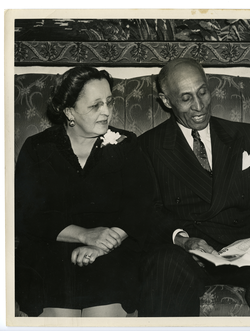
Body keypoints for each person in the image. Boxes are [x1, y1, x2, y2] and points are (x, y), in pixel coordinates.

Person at [138, 58, 250, 317]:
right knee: (164, 262)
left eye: (203, 91)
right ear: (166, 100)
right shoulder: (148, 147)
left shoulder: (245, 135)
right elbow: (149, 211)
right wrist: (183, 241)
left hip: (243, 248)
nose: (199, 105)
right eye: (186, 98)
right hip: (190, 253)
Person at [15, 66, 155, 317]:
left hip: (112, 251)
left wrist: (103, 244)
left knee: (102, 315)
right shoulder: (38, 148)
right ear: (69, 112)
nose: (107, 112)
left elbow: (141, 205)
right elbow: (27, 213)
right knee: (60, 318)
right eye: (95, 105)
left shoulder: (126, 144)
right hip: (52, 252)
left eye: (109, 102)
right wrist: (84, 235)